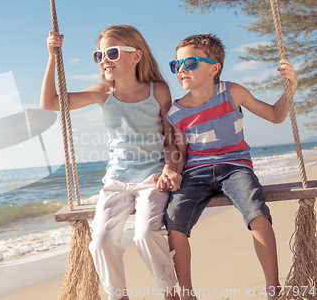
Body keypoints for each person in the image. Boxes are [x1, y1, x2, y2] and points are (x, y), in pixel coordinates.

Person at [40, 25, 180, 300]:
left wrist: (169, 168)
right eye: (99, 55)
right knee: (101, 241)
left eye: (112, 52)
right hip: (116, 181)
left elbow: (171, 138)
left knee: (145, 234)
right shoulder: (103, 93)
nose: (104, 59)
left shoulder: (158, 90)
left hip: (151, 178)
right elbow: (50, 102)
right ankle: (119, 296)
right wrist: (52, 56)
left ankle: (169, 292)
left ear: (136, 56)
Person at [165, 33, 298, 300]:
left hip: (235, 166)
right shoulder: (175, 111)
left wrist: (291, 86)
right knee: (174, 219)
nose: (181, 70)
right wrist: (171, 170)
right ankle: (187, 293)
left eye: (189, 63)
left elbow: (275, 115)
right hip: (196, 172)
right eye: (176, 64)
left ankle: (274, 290)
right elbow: (179, 152)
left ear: (214, 68)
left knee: (257, 213)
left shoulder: (231, 92)